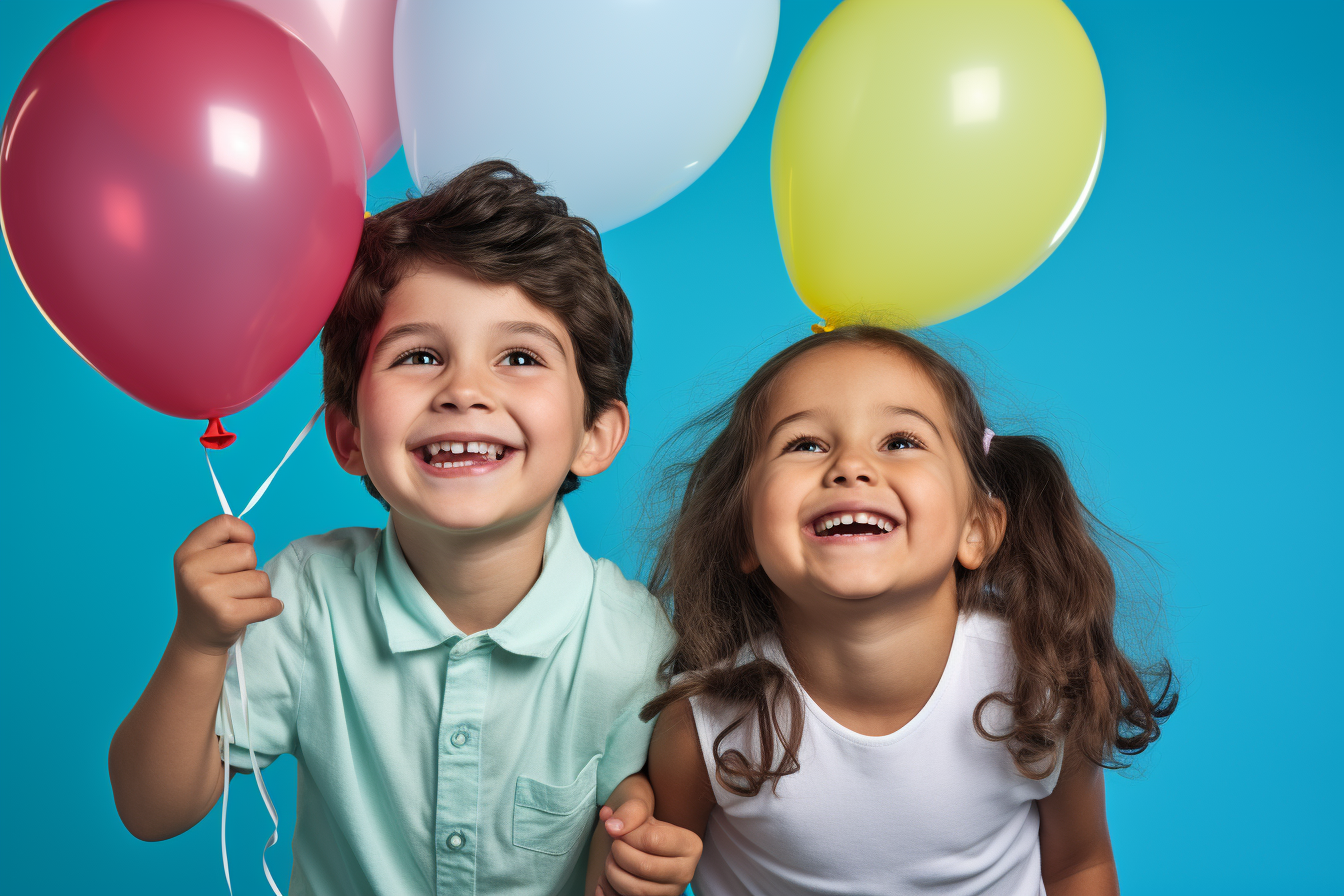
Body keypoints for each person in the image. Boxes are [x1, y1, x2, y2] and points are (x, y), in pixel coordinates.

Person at [108, 161, 700, 896]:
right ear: (349, 435)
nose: (464, 391)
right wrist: (198, 642)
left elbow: (641, 809)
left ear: (595, 435)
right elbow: (151, 808)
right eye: (419, 356)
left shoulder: (633, 641)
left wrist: (639, 843)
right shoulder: (305, 598)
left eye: (519, 357)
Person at [641, 325, 1178, 895]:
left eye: (900, 441)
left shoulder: (1047, 682)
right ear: (744, 535)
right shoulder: (701, 730)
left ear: (977, 527)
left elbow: (1079, 865)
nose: (850, 466)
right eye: (805, 444)